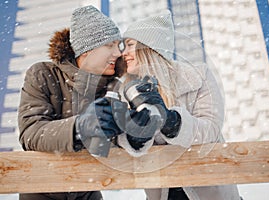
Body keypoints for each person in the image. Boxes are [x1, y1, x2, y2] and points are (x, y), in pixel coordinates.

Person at [118, 10, 241, 200]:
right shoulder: (128, 91)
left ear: (150, 48)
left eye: (130, 45)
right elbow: (125, 145)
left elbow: (210, 130)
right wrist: (135, 136)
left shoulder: (199, 77)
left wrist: (171, 121)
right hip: (163, 193)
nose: (123, 52)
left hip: (209, 191)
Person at [18, 5, 124, 200]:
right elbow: (30, 133)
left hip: (88, 190)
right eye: (110, 45)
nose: (118, 52)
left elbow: (117, 144)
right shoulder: (43, 74)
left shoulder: (115, 86)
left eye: (119, 45)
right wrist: (79, 127)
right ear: (87, 50)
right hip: (42, 190)